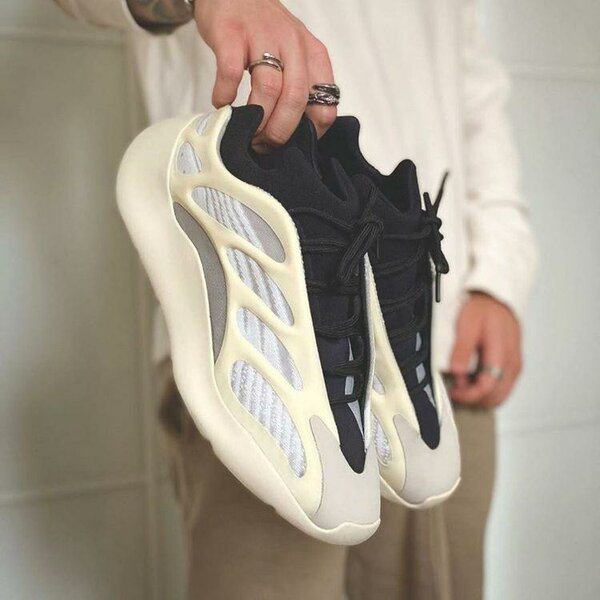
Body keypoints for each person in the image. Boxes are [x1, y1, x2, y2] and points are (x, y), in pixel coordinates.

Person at [53, 1, 538, 598]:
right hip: (261, 327)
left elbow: (476, 92)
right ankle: (227, 179)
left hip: (433, 333)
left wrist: (498, 277)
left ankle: (368, 268)